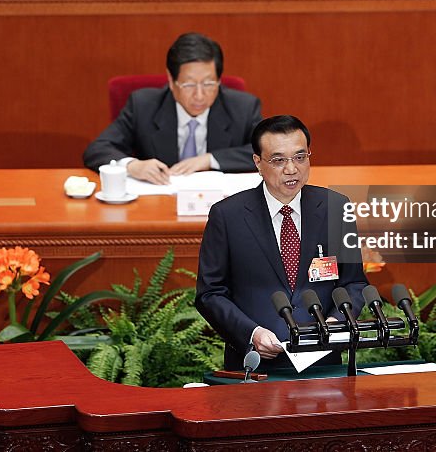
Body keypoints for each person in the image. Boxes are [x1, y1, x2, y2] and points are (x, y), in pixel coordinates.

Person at [196, 115, 368, 371]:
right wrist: (251, 333)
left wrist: (334, 321)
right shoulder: (228, 215)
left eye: (300, 157)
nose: (292, 169)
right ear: (258, 162)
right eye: (278, 160)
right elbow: (210, 294)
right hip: (255, 365)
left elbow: (354, 283)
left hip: (323, 360)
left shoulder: (335, 207)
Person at [83, 33, 261, 184]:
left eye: (208, 83)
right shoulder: (143, 106)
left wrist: (210, 160)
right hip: (159, 207)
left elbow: (268, 152)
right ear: (171, 80)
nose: (199, 95)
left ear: (219, 80)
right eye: (189, 84)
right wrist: (132, 166)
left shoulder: (243, 107)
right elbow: (98, 149)